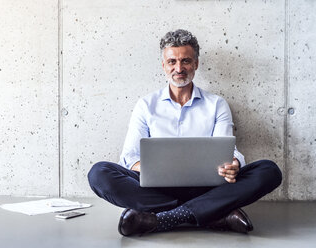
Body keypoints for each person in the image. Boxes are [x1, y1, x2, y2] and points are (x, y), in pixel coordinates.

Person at [88, 29, 282, 236]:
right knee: (99, 173)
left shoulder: (217, 104)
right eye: (172, 62)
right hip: (156, 188)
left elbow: (228, 150)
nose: (179, 68)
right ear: (163, 65)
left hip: (207, 187)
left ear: (196, 64)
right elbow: (129, 156)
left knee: (268, 171)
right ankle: (214, 214)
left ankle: (162, 218)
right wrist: (155, 170)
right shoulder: (145, 105)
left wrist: (233, 164)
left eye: (186, 61)